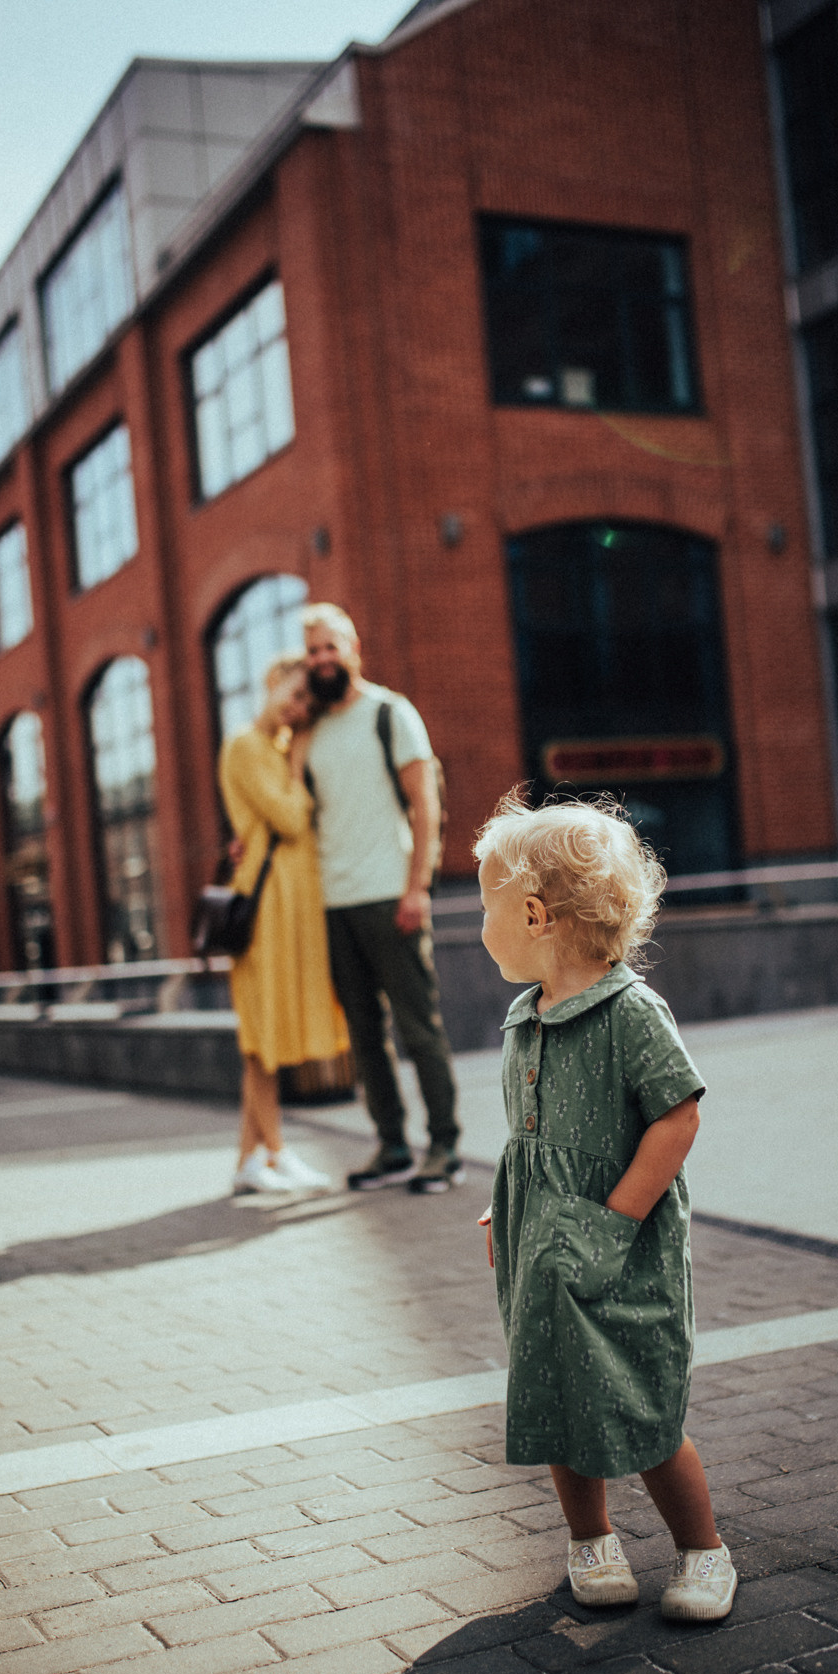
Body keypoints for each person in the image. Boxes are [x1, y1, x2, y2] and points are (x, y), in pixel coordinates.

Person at [475, 792, 737, 1622]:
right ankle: (590, 1538)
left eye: (483, 902)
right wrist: (507, 1207)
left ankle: (704, 1551)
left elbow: (678, 1115)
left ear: (532, 913)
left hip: (619, 1245)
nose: (478, 921)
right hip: (542, 1245)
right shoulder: (527, 1017)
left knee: (643, 1399)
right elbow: (532, 1140)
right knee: (555, 1392)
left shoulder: (631, 1012)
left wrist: (614, 1219)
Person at [302, 602, 462, 1194]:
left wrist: (418, 885)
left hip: (389, 895)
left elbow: (427, 804)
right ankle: (391, 1144)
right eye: (312, 651)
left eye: (330, 647)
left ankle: (443, 1146)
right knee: (364, 1037)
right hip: (333, 902)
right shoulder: (309, 730)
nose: (322, 659)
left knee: (419, 1028)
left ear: (353, 649)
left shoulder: (391, 713)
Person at [218, 655, 349, 1195]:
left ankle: (251, 1159)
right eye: (293, 696)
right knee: (261, 1035)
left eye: (305, 705)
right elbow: (291, 819)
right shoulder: (248, 746)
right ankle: (274, 1152)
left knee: (266, 1036)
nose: (297, 710)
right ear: (272, 685)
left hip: (286, 903)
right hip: (265, 903)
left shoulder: (268, 748)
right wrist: (296, 768)